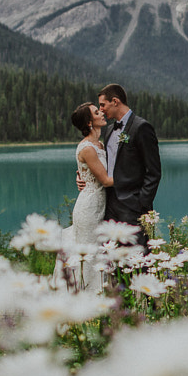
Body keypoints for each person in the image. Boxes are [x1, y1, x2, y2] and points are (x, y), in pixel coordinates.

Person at [79, 83, 161, 246]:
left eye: (103, 105)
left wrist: (141, 203)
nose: (101, 110)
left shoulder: (141, 127)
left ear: (115, 101)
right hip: (109, 206)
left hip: (133, 206)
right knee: (113, 257)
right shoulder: (109, 131)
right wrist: (84, 177)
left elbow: (154, 171)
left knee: (137, 256)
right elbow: (105, 164)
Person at [63, 102, 113, 289]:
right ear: (89, 122)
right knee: (89, 256)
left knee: (98, 254)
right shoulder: (87, 149)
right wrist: (134, 177)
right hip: (89, 209)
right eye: (97, 112)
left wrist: (81, 175)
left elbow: (89, 171)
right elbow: (106, 181)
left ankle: (99, 296)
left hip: (99, 205)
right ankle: (84, 299)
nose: (102, 113)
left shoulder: (99, 143)